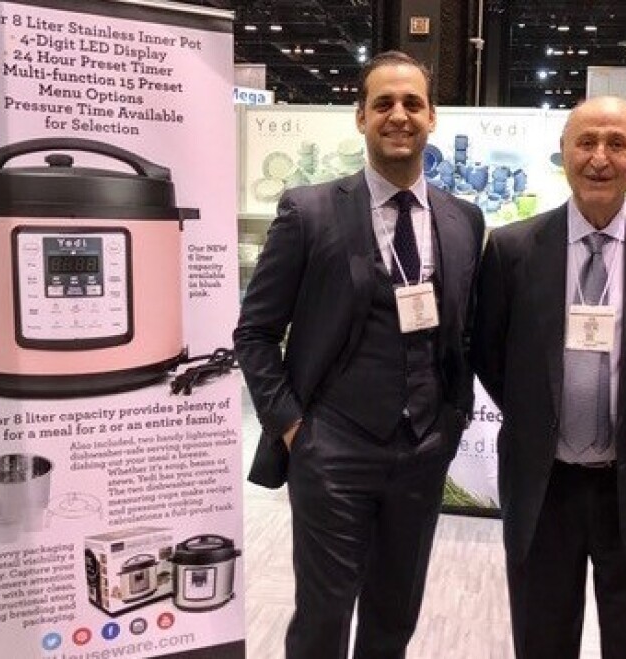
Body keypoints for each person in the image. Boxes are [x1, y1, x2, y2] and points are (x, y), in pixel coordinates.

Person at [234, 51, 484, 659]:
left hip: (424, 448)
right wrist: (294, 427)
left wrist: (451, 419)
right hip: (331, 447)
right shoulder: (309, 211)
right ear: (360, 117)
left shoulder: (464, 220)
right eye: (383, 104)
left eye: (412, 104)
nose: (398, 115)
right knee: (322, 618)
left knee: (395, 614)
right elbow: (255, 333)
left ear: (432, 117)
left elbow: (467, 332)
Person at [471, 96, 626, 659]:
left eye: (616, 143)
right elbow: (491, 355)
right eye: (586, 142)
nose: (599, 157)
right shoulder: (512, 249)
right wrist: (544, 420)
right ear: (563, 153)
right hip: (543, 484)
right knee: (542, 639)